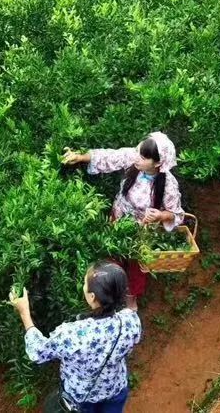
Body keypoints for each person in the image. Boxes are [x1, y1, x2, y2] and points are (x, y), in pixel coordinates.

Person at [62, 132, 185, 309]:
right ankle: (106, 298)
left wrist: (160, 215)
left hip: (142, 232)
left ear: (157, 163)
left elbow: (176, 214)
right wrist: (80, 157)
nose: (137, 158)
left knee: (136, 267)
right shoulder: (133, 159)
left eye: (143, 157)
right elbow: (107, 157)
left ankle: (130, 299)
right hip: (118, 221)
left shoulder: (168, 184)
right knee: (112, 256)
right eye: (137, 151)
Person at [9, 261, 142, 413]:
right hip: (115, 390)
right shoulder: (131, 321)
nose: (83, 286)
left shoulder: (71, 334)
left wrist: (24, 312)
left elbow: (38, 352)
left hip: (80, 399)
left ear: (92, 297)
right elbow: (129, 346)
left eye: (85, 283)